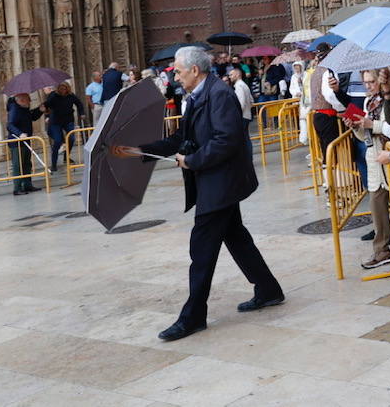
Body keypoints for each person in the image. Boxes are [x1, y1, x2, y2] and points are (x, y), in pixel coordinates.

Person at [120, 45, 284, 342]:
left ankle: (193, 316)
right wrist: (142, 150)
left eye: (179, 72)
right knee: (236, 237)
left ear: (195, 70)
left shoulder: (219, 96)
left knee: (202, 252)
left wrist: (192, 161)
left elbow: (226, 141)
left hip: (220, 184)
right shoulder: (197, 95)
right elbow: (183, 138)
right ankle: (268, 289)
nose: (176, 78)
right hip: (217, 181)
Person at [356, 68, 390, 269]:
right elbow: (364, 137)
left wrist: (371, 124)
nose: (368, 85)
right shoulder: (368, 101)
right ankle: (381, 250)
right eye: (365, 82)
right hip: (374, 159)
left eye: (372, 81)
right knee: (376, 205)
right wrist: (356, 126)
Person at [41, 82, 85, 172]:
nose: (63, 90)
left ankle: (66, 157)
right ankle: (54, 164)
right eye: (61, 88)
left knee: (71, 138)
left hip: (68, 120)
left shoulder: (71, 95)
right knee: (57, 141)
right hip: (56, 121)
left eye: (65, 88)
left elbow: (79, 103)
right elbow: (47, 105)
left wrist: (82, 113)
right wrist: (44, 111)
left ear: (67, 89)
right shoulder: (53, 96)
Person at [6, 92, 42, 195]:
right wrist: (20, 133)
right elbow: (10, 125)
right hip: (17, 141)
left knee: (27, 164)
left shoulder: (23, 109)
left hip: (26, 140)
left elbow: (31, 117)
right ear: (21, 100)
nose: (30, 101)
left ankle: (27, 185)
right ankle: (17, 188)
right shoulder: (14, 109)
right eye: (28, 99)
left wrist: (40, 110)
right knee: (18, 165)